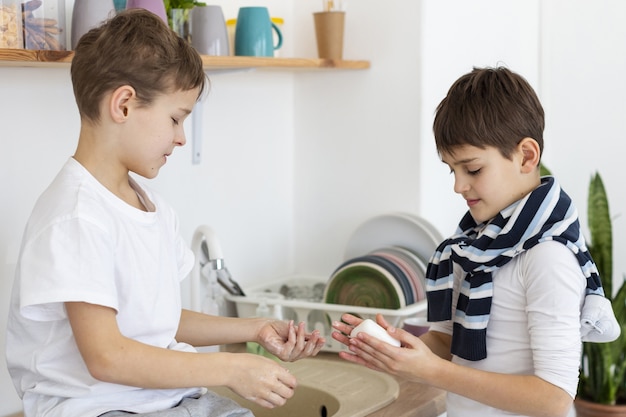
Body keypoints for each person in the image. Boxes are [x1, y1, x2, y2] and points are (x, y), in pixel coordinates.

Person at [6, 9, 325, 417]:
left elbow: (158, 322)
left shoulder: (151, 208)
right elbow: (108, 356)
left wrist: (255, 330)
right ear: (123, 104)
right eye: (175, 118)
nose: (180, 137)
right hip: (95, 409)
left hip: (166, 400)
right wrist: (229, 367)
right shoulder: (76, 217)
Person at [331, 66, 619, 417]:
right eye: (452, 170)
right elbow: (448, 341)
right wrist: (396, 352)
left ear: (527, 156)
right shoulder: (475, 247)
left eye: (473, 169)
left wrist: (433, 371)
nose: (458, 186)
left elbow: (554, 397)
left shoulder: (548, 257)